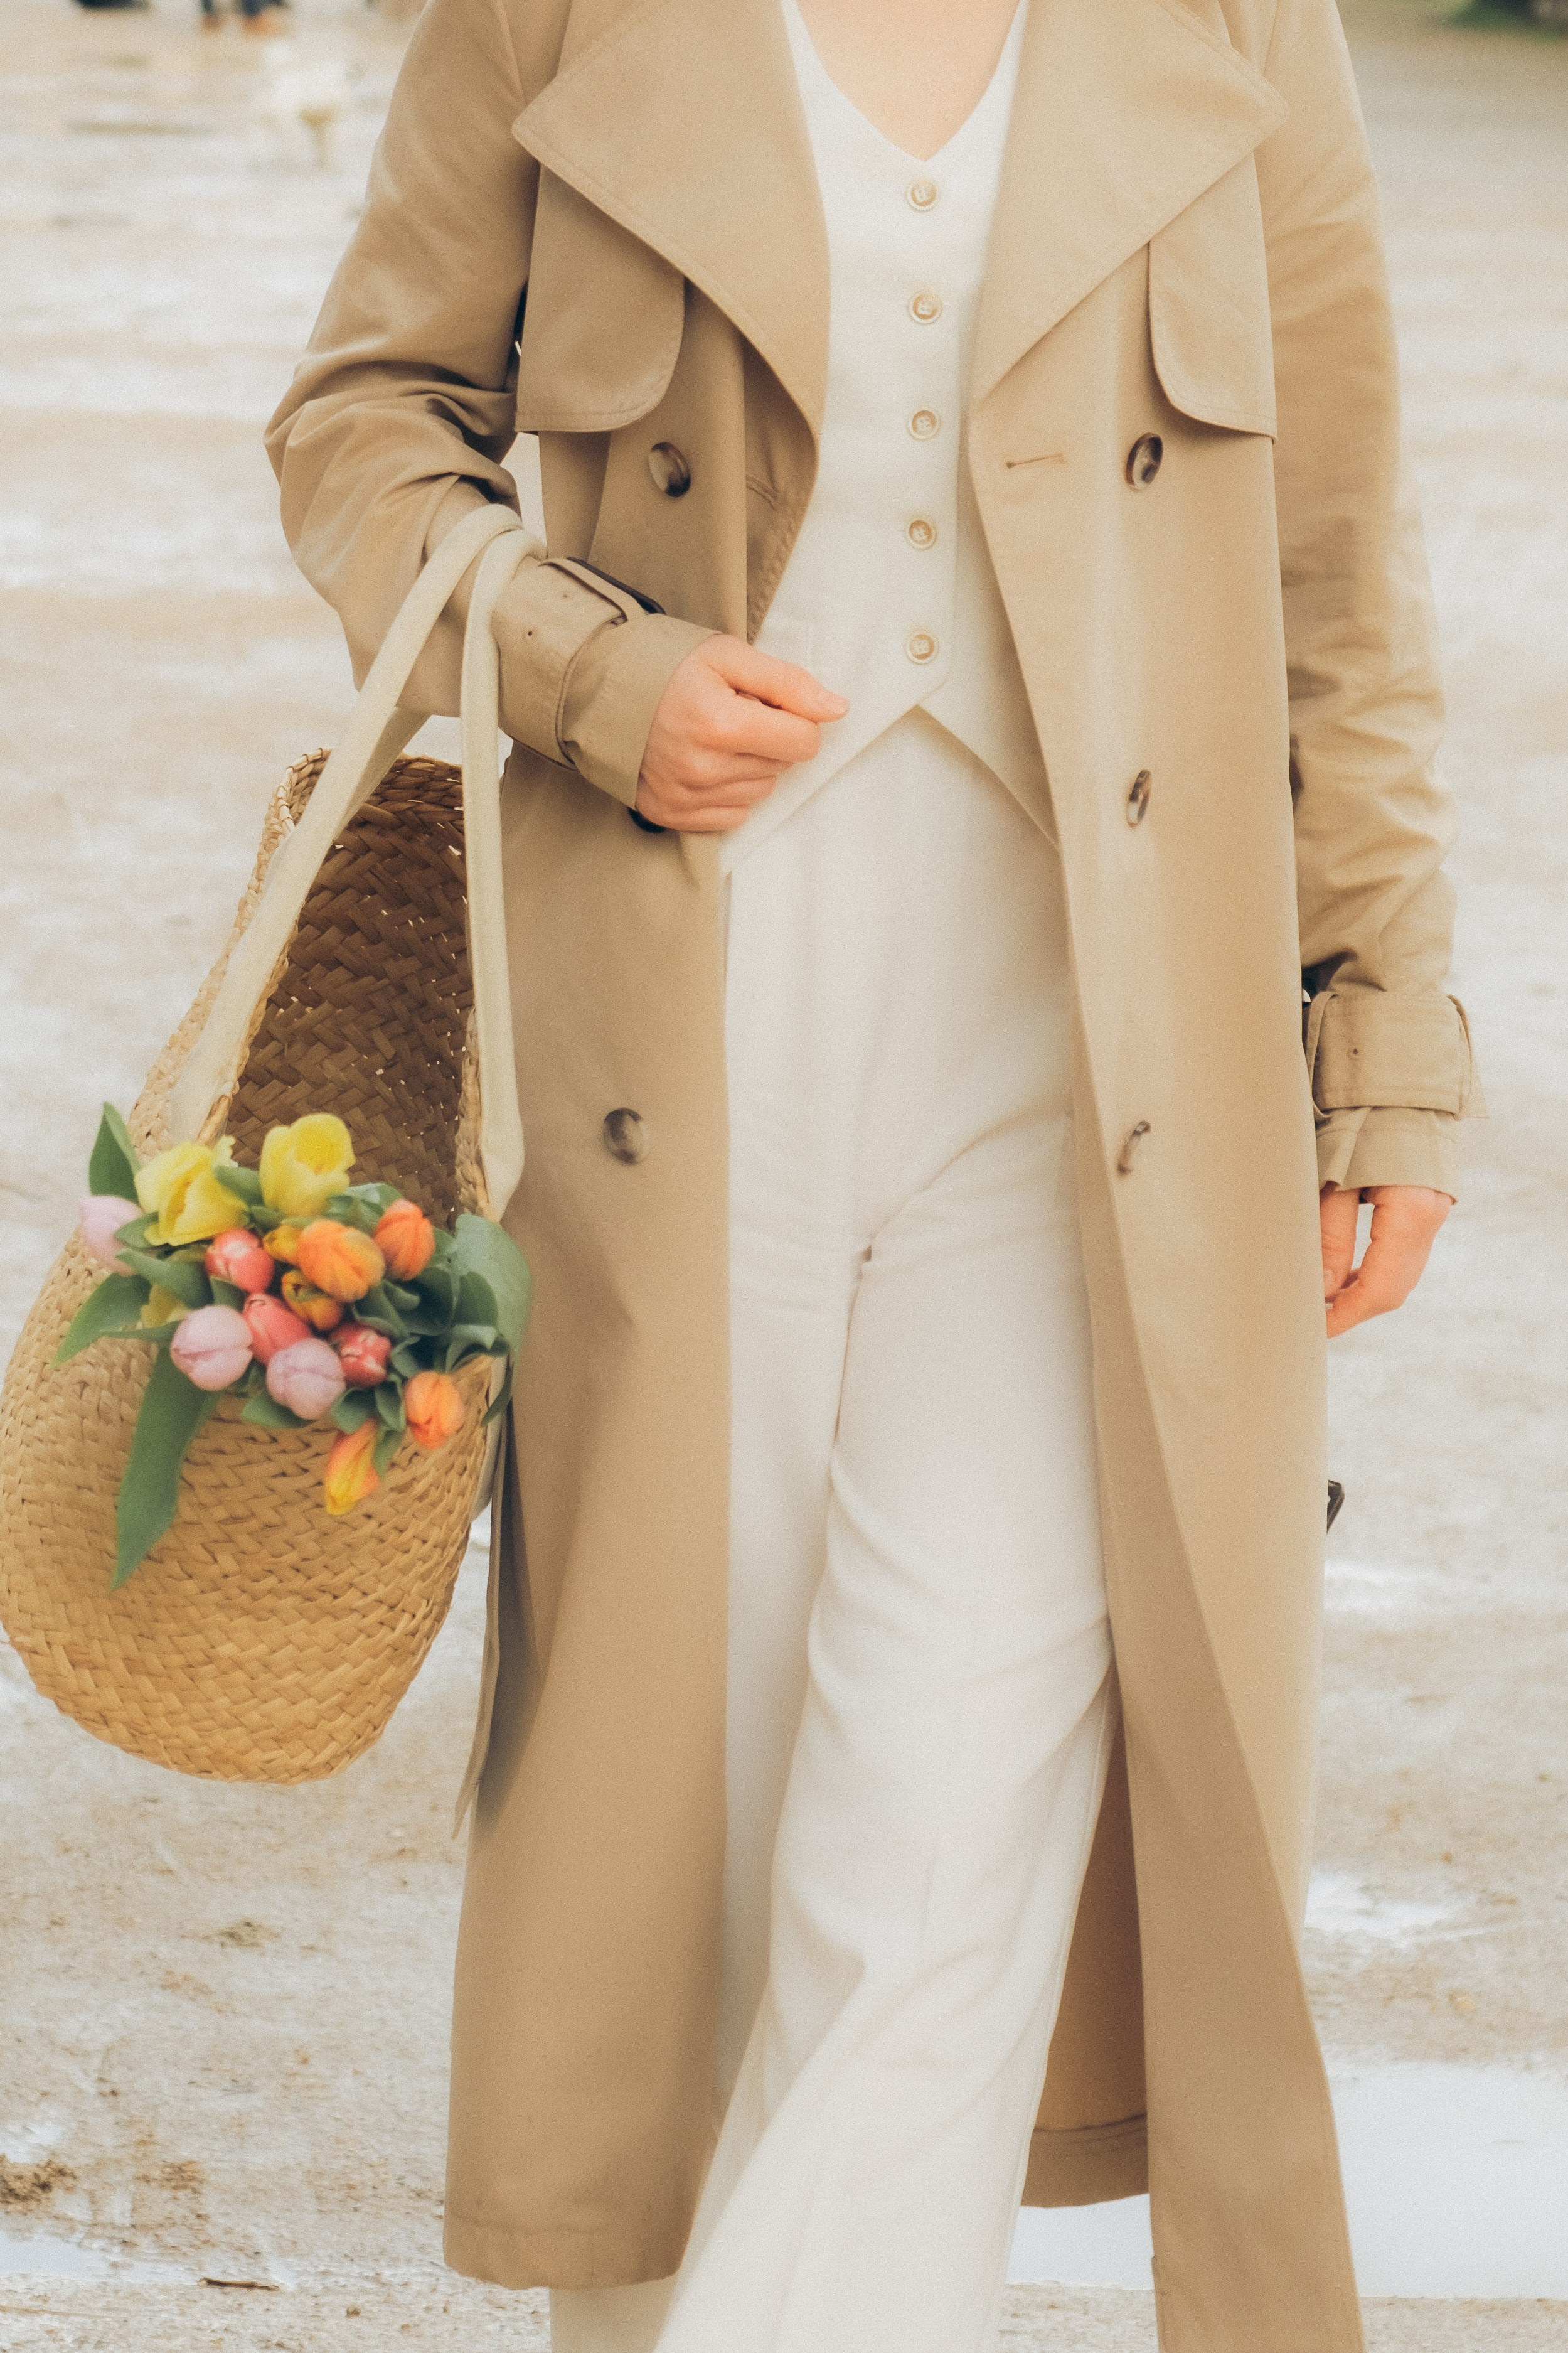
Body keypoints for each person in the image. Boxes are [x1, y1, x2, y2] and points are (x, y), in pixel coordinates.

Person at [266, 0, 1481, 2347]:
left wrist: (1382, 1042)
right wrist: (579, 664)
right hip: (682, 1025)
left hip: (1104, 1057)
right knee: (683, 1828)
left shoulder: (1239, 29)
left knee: (946, 1838)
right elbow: (364, 426)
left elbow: (1341, 572)